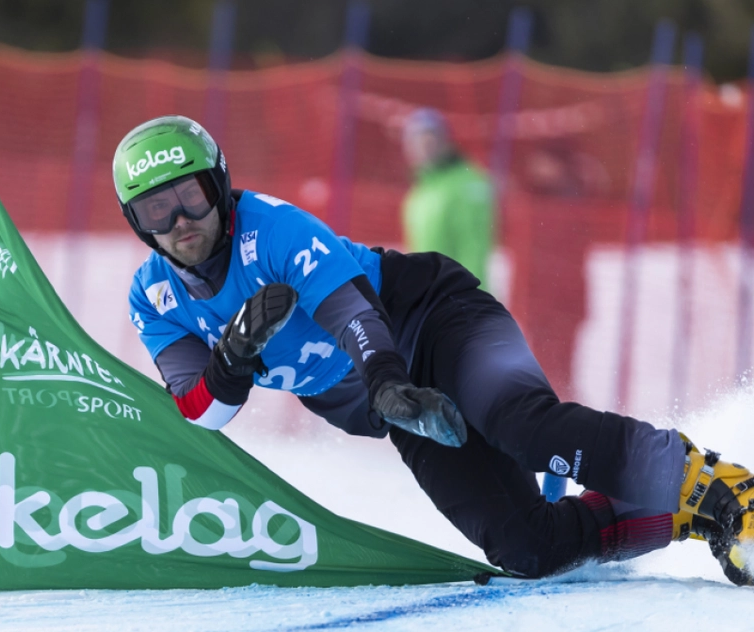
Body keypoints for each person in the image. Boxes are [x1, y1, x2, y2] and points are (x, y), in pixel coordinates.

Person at [114, 115, 753, 586]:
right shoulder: (153, 298)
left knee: (522, 426)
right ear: (136, 224)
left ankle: (725, 487)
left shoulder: (272, 229)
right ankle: (689, 516)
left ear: (220, 187)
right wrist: (231, 359)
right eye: (156, 213)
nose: (180, 225)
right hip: (399, 403)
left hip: (435, 322)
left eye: (191, 199)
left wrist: (389, 384)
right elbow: (203, 411)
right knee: (528, 548)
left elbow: (354, 313)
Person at [400, 107, 494, 290]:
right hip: (430, 300)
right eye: (414, 141)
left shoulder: (468, 184)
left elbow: (473, 249)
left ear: (445, 141)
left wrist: (470, 302)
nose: (422, 148)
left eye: (429, 139)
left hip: (461, 301)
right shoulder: (418, 192)